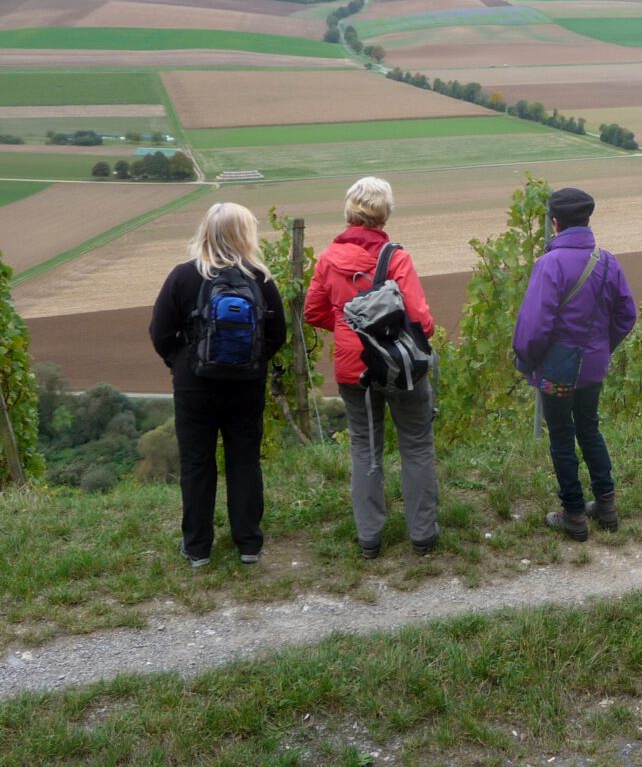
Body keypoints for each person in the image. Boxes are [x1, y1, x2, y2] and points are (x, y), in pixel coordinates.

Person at [304, 177, 439, 559]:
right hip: (400, 368)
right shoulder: (396, 258)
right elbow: (422, 322)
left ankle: (369, 539)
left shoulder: (329, 258)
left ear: (349, 212)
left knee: (365, 448)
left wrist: (351, 332)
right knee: (416, 446)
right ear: (384, 214)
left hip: (353, 369)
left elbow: (314, 311)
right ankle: (423, 537)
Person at [149, 203, 287, 568]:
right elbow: (278, 335)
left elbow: (160, 333)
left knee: (197, 464)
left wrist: (182, 364)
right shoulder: (260, 278)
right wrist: (253, 362)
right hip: (247, 385)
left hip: (195, 388)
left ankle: (197, 549)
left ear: (206, 232)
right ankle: (249, 545)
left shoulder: (183, 276)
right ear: (245, 235)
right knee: (244, 462)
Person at [514, 187, 636, 542]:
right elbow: (626, 314)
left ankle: (574, 515)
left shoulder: (549, 264)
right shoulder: (608, 261)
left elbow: (534, 326)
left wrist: (527, 360)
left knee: (563, 437)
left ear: (555, 223)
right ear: (586, 220)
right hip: (593, 368)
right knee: (589, 428)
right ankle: (607, 506)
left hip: (558, 372)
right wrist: (601, 346)